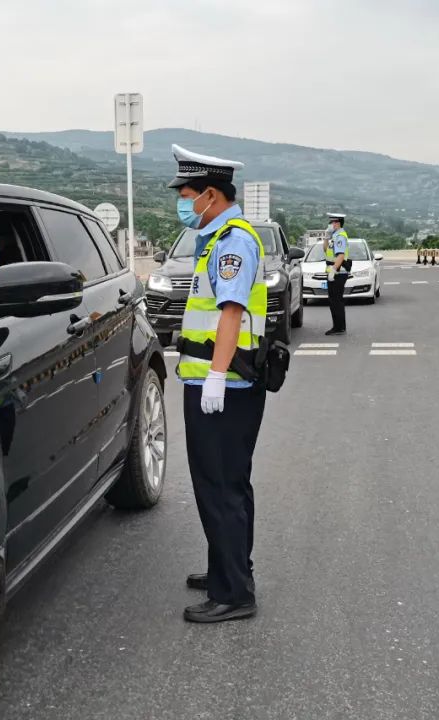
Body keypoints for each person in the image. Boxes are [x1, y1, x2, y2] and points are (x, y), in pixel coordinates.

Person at [169, 144, 267, 623]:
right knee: (229, 481)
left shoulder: (233, 241)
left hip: (225, 387)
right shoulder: (218, 237)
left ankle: (233, 593)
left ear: (210, 194)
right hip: (226, 383)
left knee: (219, 485)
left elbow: (230, 312)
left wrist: (213, 377)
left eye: (186, 195)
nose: (182, 204)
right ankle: (228, 566)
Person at [324, 212, 349, 335]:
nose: (330, 224)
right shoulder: (334, 235)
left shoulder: (340, 236)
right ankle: (338, 326)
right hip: (333, 272)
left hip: (338, 273)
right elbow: (325, 250)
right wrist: (326, 237)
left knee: (336, 301)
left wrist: (333, 270)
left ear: (337, 223)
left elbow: (341, 255)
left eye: (332, 222)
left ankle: (339, 327)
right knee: (333, 300)